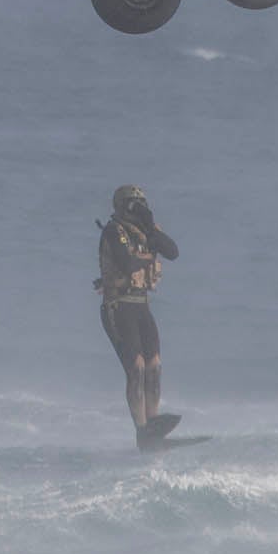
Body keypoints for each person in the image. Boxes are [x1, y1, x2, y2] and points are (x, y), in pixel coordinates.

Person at [95, 184, 182, 448]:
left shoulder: (146, 231)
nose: (137, 209)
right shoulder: (114, 231)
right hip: (119, 306)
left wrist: (151, 226)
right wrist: (146, 255)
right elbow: (127, 263)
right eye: (133, 205)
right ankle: (141, 429)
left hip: (142, 305)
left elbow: (173, 252)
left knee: (154, 365)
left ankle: (154, 426)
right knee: (137, 368)